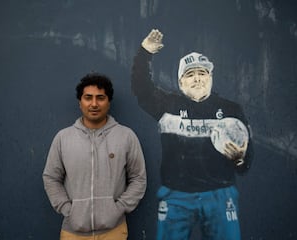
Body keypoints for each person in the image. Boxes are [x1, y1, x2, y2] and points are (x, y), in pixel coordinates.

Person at [131, 29, 253, 240]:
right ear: (180, 82)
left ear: (211, 78)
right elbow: (141, 89)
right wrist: (145, 53)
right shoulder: (167, 105)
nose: (197, 78)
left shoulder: (232, 110)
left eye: (202, 73)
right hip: (176, 195)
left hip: (220, 195)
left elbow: (245, 161)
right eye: (190, 74)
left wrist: (240, 160)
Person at [43, 72, 147, 240]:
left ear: (108, 102)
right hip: (72, 233)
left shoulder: (126, 136)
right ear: (80, 102)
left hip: (113, 232)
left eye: (100, 98)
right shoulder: (63, 138)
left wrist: (118, 209)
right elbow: (51, 178)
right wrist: (68, 210)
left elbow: (138, 178)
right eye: (88, 97)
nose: (94, 104)